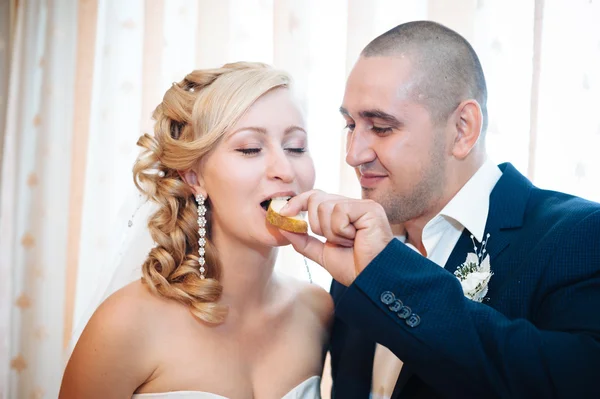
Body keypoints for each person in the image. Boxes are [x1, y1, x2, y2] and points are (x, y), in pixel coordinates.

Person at [279, 21, 600, 398]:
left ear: (463, 128)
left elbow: (570, 383)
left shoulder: (580, 236)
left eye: (381, 127)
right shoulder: (354, 256)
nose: (353, 154)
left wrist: (388, 276)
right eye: (351, 125)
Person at [59, 62, 332, 399]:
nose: (285, 169)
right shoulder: (126, 324)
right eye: (250, 149)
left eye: (296, 147)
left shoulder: (317, 310)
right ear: (194, 177)